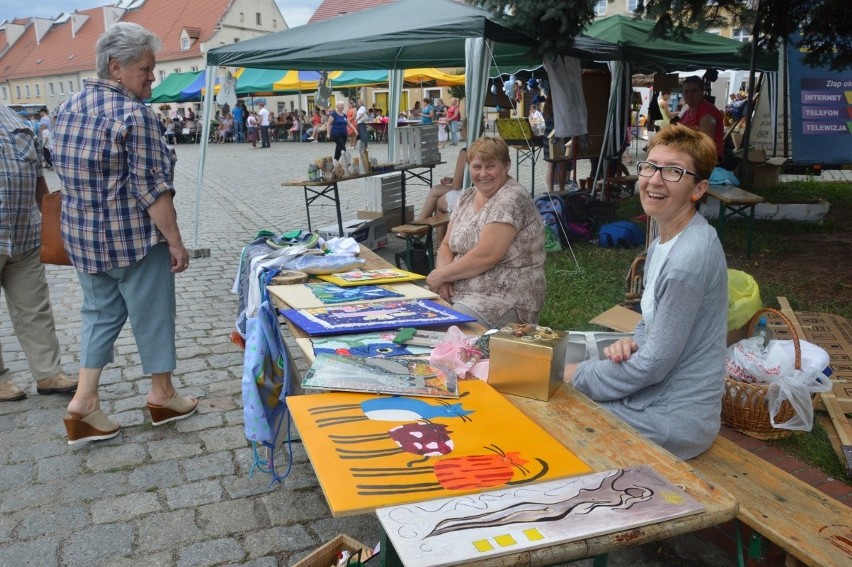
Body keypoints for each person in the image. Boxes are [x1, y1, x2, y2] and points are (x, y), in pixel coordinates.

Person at [52, 22, 196, 444]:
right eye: (146, 69)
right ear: (116, 68)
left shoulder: (66, 107)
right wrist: (175, 242)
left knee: (98, 315)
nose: (153, 76)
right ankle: (162, 394)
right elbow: (153, 190)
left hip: (83, 238)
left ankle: (83, 403)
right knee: (153, 313)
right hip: (132, 238)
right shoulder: (135, 115)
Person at [564, 125, 727, 460]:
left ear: (698, 188)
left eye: (673, 172)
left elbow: (653, 366)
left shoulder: (687, 261)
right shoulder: (663, 240)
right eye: (650, 166)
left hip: (673, 418)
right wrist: (633, 340)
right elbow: (651, 323)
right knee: (560, 378)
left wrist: (576, 376)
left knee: (557, 405)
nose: (655, 179)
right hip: (654, 395)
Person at [0, 104, 78, 402]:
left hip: (24, 233)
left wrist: (49, 221)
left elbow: (36, 176)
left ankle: (48, 373)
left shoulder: (13, 120)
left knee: (36, 307)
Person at [425, 137, 545, 328]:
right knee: (416, 315)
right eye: (476, 167)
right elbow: (447, 245)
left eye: (490, 166)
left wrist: (443, 276)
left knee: (447, 329)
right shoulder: (467, 196)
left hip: (500, 297)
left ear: (506, 166)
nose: (483, 174)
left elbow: (486, 256)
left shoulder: (511, 199)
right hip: (458, 286)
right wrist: (444, 278)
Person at [414, 147, 467, 246]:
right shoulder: (486, 146)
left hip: (470, 193)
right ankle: (421, 226)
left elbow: (456, 186)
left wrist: (454, 181)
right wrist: (452, 179)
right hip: (477, 190)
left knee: (437, 197)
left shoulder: (466, 151)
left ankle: (420, 227)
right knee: (436, 192)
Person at [677, 76, 724, 162]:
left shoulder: (707, 113)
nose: (689, 95)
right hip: (690, 157)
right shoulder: (687, 111)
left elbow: (704, 145)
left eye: (694, 91)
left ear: (702, 92)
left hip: (705, 162)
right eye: (686, 91)